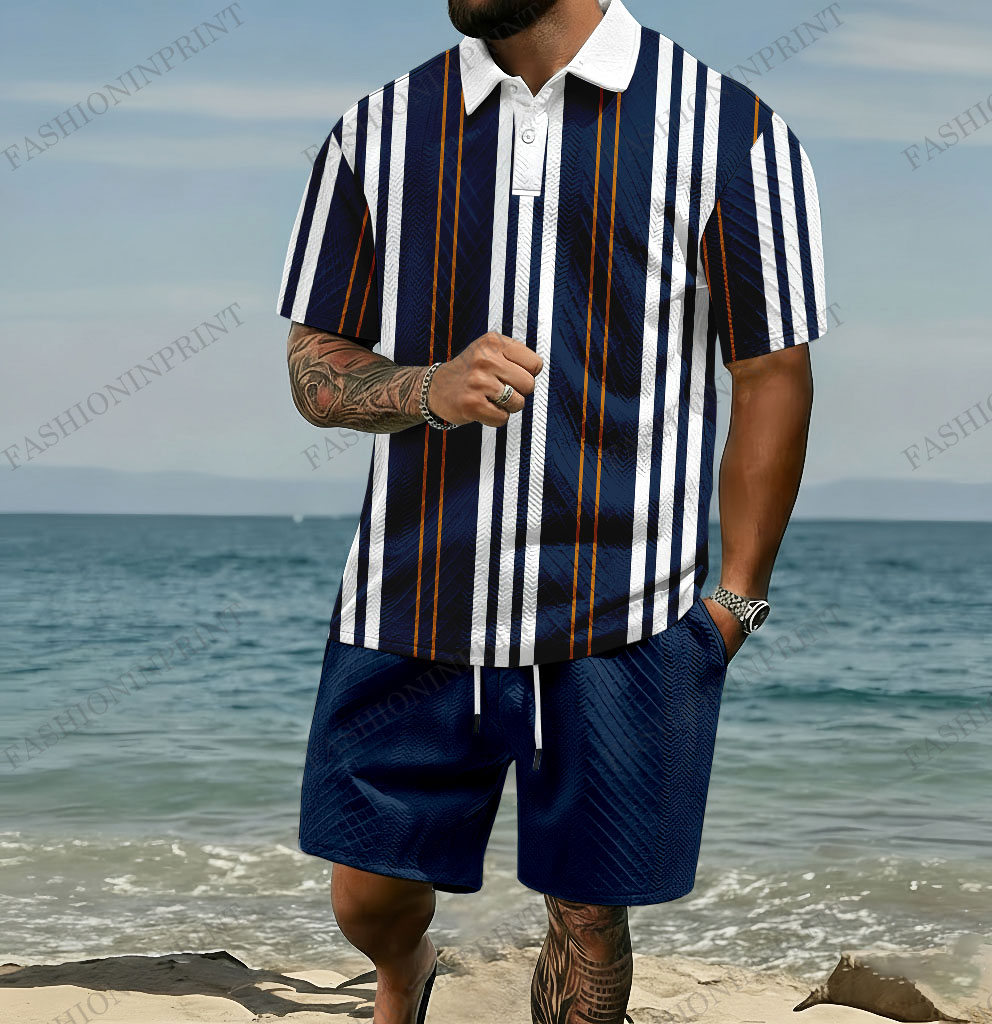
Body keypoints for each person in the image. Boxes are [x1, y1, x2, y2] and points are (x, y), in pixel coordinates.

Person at [276, 0, 828, 1019]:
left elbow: (771, 371)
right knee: (366, 895)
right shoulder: (374, 130)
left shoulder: (734, 131)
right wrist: (428, 386)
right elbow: (314, 365)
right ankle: (406, 967)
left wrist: (736, 601)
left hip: (626, 613)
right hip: (410, 600)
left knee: (588, 915)